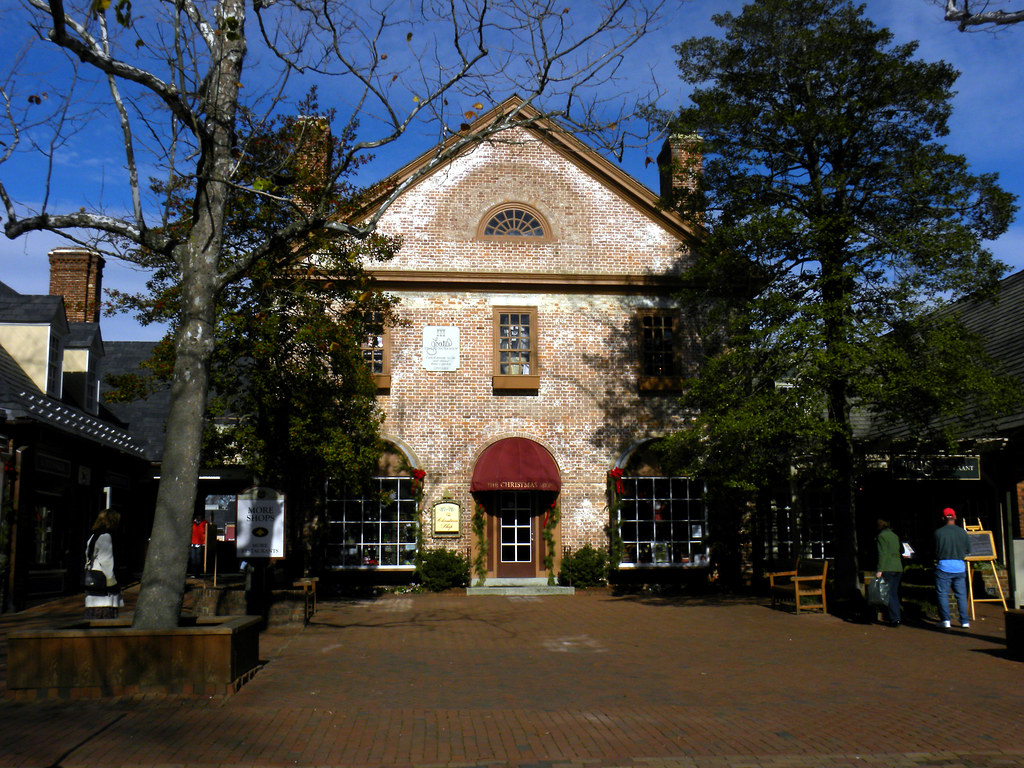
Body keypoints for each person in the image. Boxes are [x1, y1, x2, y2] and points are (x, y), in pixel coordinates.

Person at [934, 507, 972, 629]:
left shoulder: (938, 533)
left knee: (942, 594)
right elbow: (968, 550)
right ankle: (964, 620)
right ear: (955, 517)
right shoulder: (962, 532)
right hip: (960, 567)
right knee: (961, 595)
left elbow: (934, 550)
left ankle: (945, 620)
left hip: (943, 566)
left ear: (943, 518)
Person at [84, 509, 124, 619]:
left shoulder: (93, 535)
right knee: (105, 618)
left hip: (93, 582)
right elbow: (106, 561)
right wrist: (112, 581)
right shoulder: (105, 536)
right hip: (103, 586)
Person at [875, 517, 903, 626]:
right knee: (894, 593)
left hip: (888, 567)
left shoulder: (881, 536)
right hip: (898, 567)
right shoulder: (894, 535)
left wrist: (880, 569)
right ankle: (897, 616)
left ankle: (894, 618)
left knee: (889, 593)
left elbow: (882, 554)